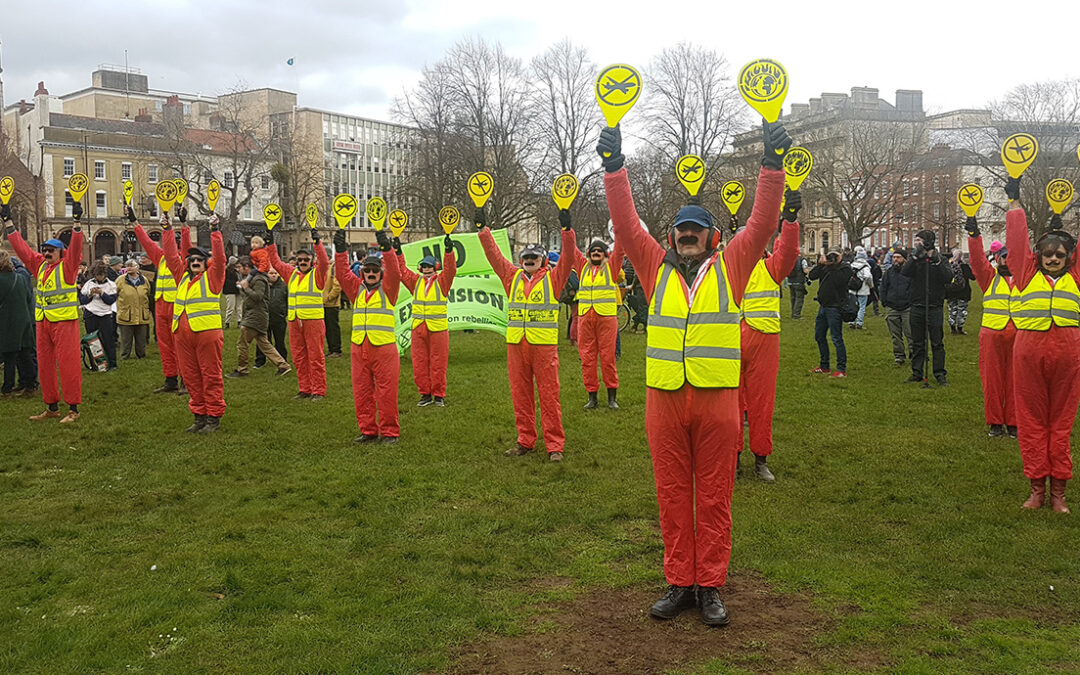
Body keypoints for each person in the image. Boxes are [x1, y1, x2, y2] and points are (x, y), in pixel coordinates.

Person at [599, 119, 791, 626]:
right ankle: (679, 581)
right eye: (682, 229)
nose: (688, 235)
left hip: (717, 400)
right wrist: (614, 168)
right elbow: (624, 224)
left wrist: (771, 167)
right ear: (671, 236)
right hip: (664, 400)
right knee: (671, 494)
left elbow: (763, 222)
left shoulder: (734, 264)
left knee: (714, 495)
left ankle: (710, 585)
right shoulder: (650, 264)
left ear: (713, 236)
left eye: (697, 229)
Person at [477, 204, 577, 462]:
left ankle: (555, 445)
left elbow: (567, 259)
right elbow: (494, 256)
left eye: (534, 257)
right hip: (516, 346)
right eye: (526, 257)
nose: (529, 260)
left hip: (543, 347)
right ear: (521, 261)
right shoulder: (511, 277)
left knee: (549, 396)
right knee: (520, 395)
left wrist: (567, 230)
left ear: (543, 260)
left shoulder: (553, 279)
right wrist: (482, 230)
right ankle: (525, 441)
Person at [1004, 177, 1080, 513]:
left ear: (1069, 257)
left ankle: (1058, 493)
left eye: (1059, 254)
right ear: (1039, 256)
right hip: (1028, 351)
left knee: (1060, 422)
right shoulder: (1024, 273)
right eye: (1047, 253)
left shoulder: (1075, 278)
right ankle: (1037, 488)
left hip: (1067, 351)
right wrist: (1014, 199)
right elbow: (1017, 241)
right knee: (1031, 421)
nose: (1052, 258)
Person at [737, 192, 802, 482]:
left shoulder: (770, 267)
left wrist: (789, 222)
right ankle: (733, 458)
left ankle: (761, 459)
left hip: (764, 339)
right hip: (728, 340)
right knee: (729, 405)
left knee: (763, 403)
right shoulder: (725, 269)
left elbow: (788, 253)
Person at [3, 199, 84, 422]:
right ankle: (51, 407)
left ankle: (73, 410)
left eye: (51, 251)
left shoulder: (68, 268)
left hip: (65, 322)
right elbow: (21, 248)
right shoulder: (40, 266)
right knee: (45, 366)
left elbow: (76, 250)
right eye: (45, 250)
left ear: (60, 253)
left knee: (68, 366)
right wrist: (8, 222)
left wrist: (76, 225)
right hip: (43, 321)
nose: (46, 253)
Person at [334, 228, 401, 443]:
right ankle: (368, 431)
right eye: (367, 270)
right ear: (362, 272)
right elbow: (342, 273)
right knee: (362, 392)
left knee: (386, 392)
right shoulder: (356, 290)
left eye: (375, 270)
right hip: (359, 348)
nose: (371, 273)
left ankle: (390, 432)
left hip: (384, 349)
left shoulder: (389, 289)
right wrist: (341, 250)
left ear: (381, 272)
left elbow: (395, 271)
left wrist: (386, 248)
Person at [162, 212, 226, 433]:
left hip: (207, 334)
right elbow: (171, 256)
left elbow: (220, 259)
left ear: (205, 263)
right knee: (190, 377)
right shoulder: (182, 277)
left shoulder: (213, 277)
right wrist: (167, 230)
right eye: (191, 260)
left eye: (199, 260)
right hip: (183, 336)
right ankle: (199, 415)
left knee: (210, 375)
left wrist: (215, 230)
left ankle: (213, 416)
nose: (195, 262)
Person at [965, 216, 1017, 439]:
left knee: (1017, 381)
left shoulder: (1026, 279)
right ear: (998, 259)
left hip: (1019, 336)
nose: (1007, 260)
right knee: (992, 381)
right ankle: (995, 422)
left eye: (1011, 257)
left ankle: (1014, 423)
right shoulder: (990, 277)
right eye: (1004, 257)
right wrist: (974, 236)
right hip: (992, 335)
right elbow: (977, 261)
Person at [132, 204, 192, 393]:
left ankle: (186, 380)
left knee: (180, 345)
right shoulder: (160, 257)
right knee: (164, 344)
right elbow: (147, 242)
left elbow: (187, 246)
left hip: (177, 305)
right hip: (160, 304)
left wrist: (183, 224)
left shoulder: (183, 259)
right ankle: (171, 379)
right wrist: (134, 222)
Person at [267, 229, 330, 400]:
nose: (302, 262)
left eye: (306, 260)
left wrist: (317, 243)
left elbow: (324, 262)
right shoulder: (291, 274)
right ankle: (305, 388)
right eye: (300, 260)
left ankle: (318, 390)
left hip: (313, 321)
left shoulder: (318, 275)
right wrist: (270, 242)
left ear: (312, 261)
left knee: (315, 356)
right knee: (299, 356)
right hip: (295, 321)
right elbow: (276, 262)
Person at [395, 232, 457, 406]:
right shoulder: (416, 282)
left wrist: (449, 251)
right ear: (420, 268)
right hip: (418, 328)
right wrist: (398, 253)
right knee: (419, 363)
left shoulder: (442, 282)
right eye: (423, 266)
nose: (426, 268)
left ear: (435, 267)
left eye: (429, 266)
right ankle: (425, 394)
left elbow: (451, 270)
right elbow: (402, 272)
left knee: (439, 362)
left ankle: (438, 395)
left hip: (437, 328)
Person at [566, 234, 624, 410]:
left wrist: (620, 229)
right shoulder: (582, 267)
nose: (596, 253)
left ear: (605, 254)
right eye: (593, 250)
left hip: (606, 318)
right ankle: (592, 397)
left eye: (600, 250)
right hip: (585, 318)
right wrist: (567, 229)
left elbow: (620, 251)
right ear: (588, 253)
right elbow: (571, 248)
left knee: (608, 358)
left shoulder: (611, 268)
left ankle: (612, 397)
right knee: (587, 358)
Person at [902, 230, 952, 386]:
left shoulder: (940, 259)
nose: (917, 243)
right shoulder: (915, 260)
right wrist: (915, 257)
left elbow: (947, 277)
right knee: (917, 342)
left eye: (919, 240)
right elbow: (905, 272)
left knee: (937, 342)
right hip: (917, 305)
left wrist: (935, 260)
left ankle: (939, 373)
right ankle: (917, 371)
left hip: (934, 306)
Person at [226, 256, 290, 378]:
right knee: (264, 344)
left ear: (247, 267)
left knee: (242, 344)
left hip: (255, 316)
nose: (238, 270)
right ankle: (283, 365)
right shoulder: (253, 279)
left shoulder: (259, 279)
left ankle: (242, 370)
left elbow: (258, 296)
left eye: (239, 267)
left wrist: (246, 288)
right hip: (255, 315)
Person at [809, 250, 853, 377]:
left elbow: (839, 280)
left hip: (835, 307)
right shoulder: (825, 267)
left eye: (834, 255)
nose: (831, 258)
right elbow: (812, 276)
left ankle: (841, 369)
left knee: (836, 338)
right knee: (819, 336)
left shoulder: (845, 268)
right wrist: (820, 264)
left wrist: (833, 265)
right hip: (823, 306)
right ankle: (824, 365)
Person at [0, 250, 36, 396]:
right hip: (25, 320)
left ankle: (7, 388)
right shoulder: (21, 278)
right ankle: (30, 385)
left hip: (8, 321)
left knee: (9, 356)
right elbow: (29, 297)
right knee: (25, 354)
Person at [79, 262, 119, 371]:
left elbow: (110, 301)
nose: (99, 277)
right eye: (96, 275)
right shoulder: (88, 284)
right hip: (91, 315)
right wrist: (90, 295)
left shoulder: (111, 285)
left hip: (105, 315)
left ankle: (112, 363)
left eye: (101, 275)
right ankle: (96, 364)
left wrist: (102, 293)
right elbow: (82, 300)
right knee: (92, 341)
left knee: (108, 340)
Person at [879, 249, 913, 366]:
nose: (895, 260)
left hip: (907, 306)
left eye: (898, 257)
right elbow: (883, 287)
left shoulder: (910, 272)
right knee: (895, 334)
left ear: (904, 259)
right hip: (892, 306)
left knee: (910, 333)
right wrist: (884, 302)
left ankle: (914, 355)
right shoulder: (889, 272)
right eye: (894, 257)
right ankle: (899, 356)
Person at [115, 259, 152, 359]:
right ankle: (125, 356)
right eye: (127, 265)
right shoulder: (120, 280)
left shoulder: (144, 280)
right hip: (126, 314)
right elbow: (115, 294)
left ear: (137, 267)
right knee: (126, 339)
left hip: (141, 314)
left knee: (141, 339)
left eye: (132, 265)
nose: (130, 267)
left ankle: (141, 355)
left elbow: (148, 293)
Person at [256, 267, 289, 368]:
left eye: (275, 273)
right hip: (264, 318)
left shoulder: (283, 286)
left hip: (279, 318)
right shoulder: (262, 285)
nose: (273, 275)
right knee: (263, 341)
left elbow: (288, 300)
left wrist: (284, 313)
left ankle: (282, 360)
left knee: (280, 341)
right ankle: (260, 361)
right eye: (271, 273)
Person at [945, 249, 975, 335]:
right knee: (961, 310)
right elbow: (973, 277)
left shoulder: (949, 266)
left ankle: (952, 329)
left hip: (951, 292)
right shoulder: (964, 266)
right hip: (963, 292)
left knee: (952, 310)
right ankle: (960, 328)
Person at [323, 258, 344, 359]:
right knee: (327, 328)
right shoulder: (322, 268)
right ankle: (331, 349)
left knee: (332, 328)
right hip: (323, 304)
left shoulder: (332, 268)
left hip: (331, 304)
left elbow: (337, 286)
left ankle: (336, 349)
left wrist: (328, 298)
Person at [848, 246, 873, 329]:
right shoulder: (865, 267)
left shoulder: (852, 265)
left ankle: (851, 321)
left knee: (852, 305)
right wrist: (870, 285)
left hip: (852, 289)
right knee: (861, 306)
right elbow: (868, 277)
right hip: (863, 289)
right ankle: (859, 322)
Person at [223, 256, 240, 328]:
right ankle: (227, 322)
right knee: (231, 307)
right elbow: (226, 282)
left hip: (238, 291)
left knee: (239, 308)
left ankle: (239, 322)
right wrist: (235, 283)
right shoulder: (226, 271)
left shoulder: (236, 271)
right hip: (230, 291)